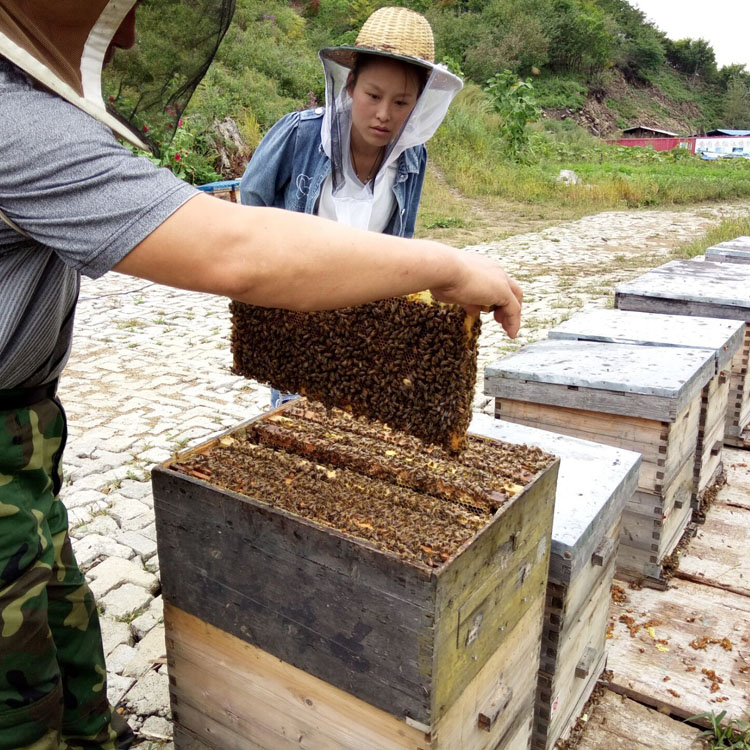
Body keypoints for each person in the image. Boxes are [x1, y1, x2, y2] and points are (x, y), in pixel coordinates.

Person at [0, 2, 522, 748]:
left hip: (26, 441)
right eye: (114, 14)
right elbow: (240, 242)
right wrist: (450, 265)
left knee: (63, 634)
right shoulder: (13, 124)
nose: (134, 36)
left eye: (400, 102)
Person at [241, 6, 463, 406]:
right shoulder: (301, 134)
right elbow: (252, 205)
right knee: (295, 419)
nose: (383, 114)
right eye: (373, 96)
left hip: (367, 319)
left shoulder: (413, 158)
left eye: (401, 103)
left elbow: (401, 244)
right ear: (350, 86)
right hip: (296, 311)